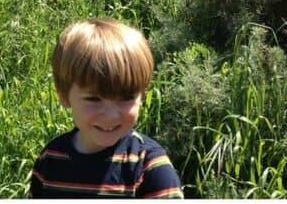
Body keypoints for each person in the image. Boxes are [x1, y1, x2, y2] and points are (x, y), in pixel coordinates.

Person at [30, 18, 183, 198]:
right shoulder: (51, 159)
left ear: (142, 95)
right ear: (63, 95)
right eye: (94, 99)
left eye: (125, 98)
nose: (110, 115)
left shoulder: (149, 166)